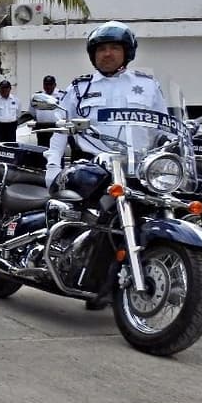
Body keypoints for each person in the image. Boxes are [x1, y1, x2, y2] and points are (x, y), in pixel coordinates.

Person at [45, 21, 166, 309]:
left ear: (127, 53)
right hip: (95, 169)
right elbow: (61, 130)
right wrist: (52, 168)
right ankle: (91, 276)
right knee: (101, 222)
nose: (107, 54)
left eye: (114, 48)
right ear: (93, 54)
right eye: (101, 49)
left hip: (139, 169)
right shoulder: (80, 88)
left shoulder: (147, 86)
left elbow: (166, 130)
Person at [28, 74, 65, 149]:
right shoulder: (37, 96)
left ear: (55, 85)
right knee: (42, 150)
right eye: (46, 84)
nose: (48, 87)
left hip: (56, 127)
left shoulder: (62, 95)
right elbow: (32, 112)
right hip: (42, 127)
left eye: (50, 84)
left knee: (57, 149)